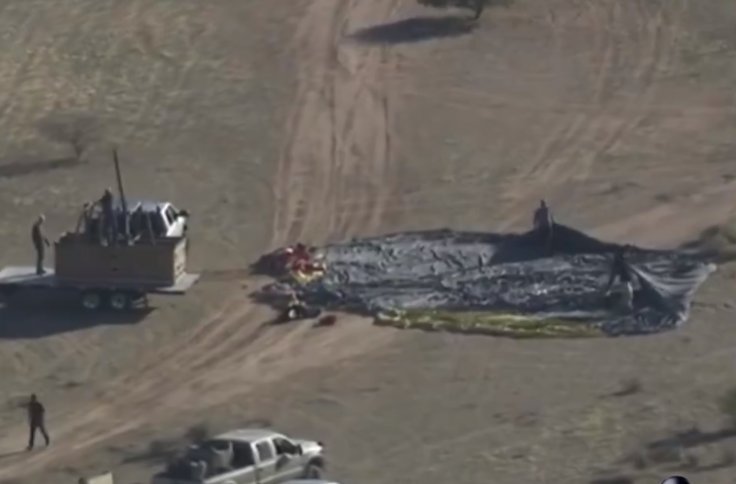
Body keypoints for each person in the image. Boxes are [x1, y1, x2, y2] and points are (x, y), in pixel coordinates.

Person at [605, 245, 634, 311]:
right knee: (627, 299)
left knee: (627, 299)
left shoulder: (623, 261)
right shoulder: (619, 263)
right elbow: (613, 275)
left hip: (625, 283)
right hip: (625, 284)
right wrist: (609, 287)